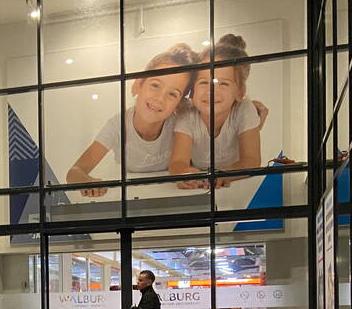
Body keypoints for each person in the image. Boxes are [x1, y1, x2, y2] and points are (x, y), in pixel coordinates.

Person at [66, 44, 199, 196]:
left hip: (168, 196)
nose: (160, 99)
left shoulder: (180, 122)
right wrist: (87, 181)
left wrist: (185, 175)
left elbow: (180, 167)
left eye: (172, 94)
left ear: (179, 104)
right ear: (138, 85)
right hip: (131, 195)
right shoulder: (117, 125)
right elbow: (74, 172)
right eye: (155, 85)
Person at [170, 34, 263, 189]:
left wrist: (223, 174)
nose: (211, 91)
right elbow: (178, 162)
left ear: (239, 92)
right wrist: (184, 173)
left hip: (235, 186)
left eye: (223, 84)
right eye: (204, 82)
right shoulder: (187, 115)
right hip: (200, 186)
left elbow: (251, 160)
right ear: (191, 91)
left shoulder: (244, 109)